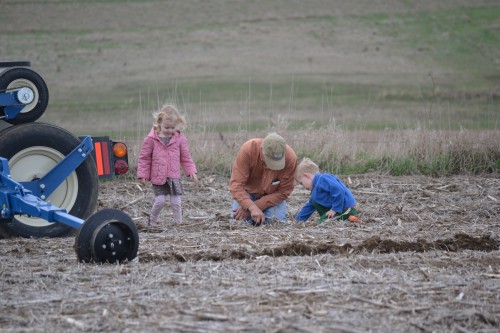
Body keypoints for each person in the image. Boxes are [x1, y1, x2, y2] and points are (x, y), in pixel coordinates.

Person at [137, 104, 199, 225]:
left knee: (176, 202)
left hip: (173, 177)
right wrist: (143, 174)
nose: (170, 130)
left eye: (173, 127)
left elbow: (186, 157)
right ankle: (152, 220)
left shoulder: (180, 139)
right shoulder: (151, 139)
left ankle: (179, 223)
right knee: (160, 201)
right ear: (159, 123)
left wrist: (191, 171)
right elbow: (144, 158)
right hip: (158, 177)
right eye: (167, 127)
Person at [229, 132, 297, 226]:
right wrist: (250, 206)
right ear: (262, 150)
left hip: (273, 197)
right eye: (270, 161)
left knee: (277, 224)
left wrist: (255, 206)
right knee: (238, 224)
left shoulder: (290, 159)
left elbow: (284, 191)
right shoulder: (248, 150)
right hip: (247, 194)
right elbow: (236, 186)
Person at [294, 157, 361, 223]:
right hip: (336, 210)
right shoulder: (315, 190)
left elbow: (339, 190)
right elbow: (309, 207)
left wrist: (334, 209)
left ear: (307, 176)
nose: (303, 186)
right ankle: (332, 217)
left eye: (302, 183)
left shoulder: (323, 179)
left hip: (346, 208)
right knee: (314, 202)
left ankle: (349, 219)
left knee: (323, 222)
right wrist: (298, 220)